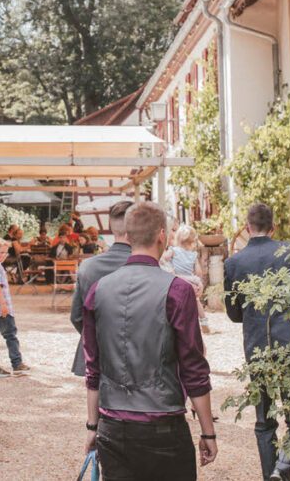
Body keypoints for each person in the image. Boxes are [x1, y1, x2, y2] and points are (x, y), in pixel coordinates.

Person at [82, 202, 218, 480]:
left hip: (114, 422)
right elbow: (193, 366)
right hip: (162, 423)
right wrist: (207, 431)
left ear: (127, 237)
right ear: (162, 236)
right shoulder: (177, 291)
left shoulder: (98, 290)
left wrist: (93, 427)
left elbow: (93, 367)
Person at [224, 203, 290, 481]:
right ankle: (282, 471)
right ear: (273, 228)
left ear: (248, 228)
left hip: (257, 347)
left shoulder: (233, 263)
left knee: (264, 421)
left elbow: (234, 314)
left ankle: (270, 476)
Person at [69, 200, 133, 376]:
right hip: (137, 353)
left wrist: (93, 336)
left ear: (110, 227)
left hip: (96, 349)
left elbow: (76, 316)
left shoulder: (88, 267)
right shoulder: (149, 265)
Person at [0, 239, 30, 377]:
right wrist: (3, 305)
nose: (5, 255)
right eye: (2, 252)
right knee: (10, 335)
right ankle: (17, 363)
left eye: (6, 253)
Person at [161, 224, 210, 333]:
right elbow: (198, 272)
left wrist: (167, 261)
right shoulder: (193, 255)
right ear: (193, 241)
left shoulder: (174, 250)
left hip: (178, 278)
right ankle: (203, 321)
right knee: (196, 301)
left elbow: (165, 258)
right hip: (191, 279)